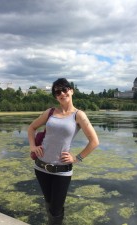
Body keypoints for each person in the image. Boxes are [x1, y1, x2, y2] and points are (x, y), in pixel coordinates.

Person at [28, 78, 99, 225]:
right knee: (49, 204)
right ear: (55, 96)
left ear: (71, 91)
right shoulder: (50, 112)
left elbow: (94, 142)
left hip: (62, 170)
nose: (61, 93)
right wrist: (33, 147)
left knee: (56, 208)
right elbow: (31, 128)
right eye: (57, 92)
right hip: (41, 167)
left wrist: (77, 158)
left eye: (64, 89)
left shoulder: (78, 115)